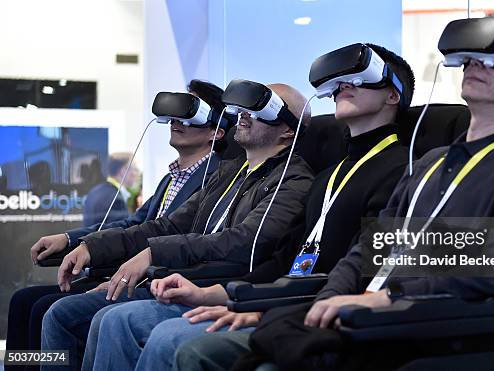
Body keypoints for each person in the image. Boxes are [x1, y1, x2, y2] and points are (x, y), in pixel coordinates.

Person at [187, 13, 494, 371]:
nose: (475, 65)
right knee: (218, 349)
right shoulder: (430, 162)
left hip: (427, 326)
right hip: (362, 316)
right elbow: (368, 250)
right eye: (472, 58)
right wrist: (321, 305)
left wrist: (387, 297)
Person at [88, 43, 416, 371]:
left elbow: (369, 272)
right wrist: (223, 295)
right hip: (286, 299)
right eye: (341, 82)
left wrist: (262, 307)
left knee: (169, 339)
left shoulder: (404, 171)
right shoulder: (329, 176)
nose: (344, 85)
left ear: (392, 96)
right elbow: (286, 260)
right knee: (116, 320)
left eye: (361, 79)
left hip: (317, 309)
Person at [40, 82, 314, 371]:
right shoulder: (228, 174)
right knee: (54, 308)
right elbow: (163, 226)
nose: (244, 114)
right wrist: (91, 245)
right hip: (181, 277)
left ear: (287, 130)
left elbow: (243, 241)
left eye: (261, 109)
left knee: (110, 319)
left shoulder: (293, 181)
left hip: (217, 283)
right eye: (244, 108)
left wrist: (154, 255)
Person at [5, 79, 231, 371]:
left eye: (190, 113)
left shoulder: (215, 180)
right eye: (174, 113)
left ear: (216, 130)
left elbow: (164, 234)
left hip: (155, 276)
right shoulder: (172, 178)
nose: (177, 120)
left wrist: (106, 261)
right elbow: (132, 223)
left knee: (52, 311)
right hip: (129, 270)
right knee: (24, 302)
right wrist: (70, 238)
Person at [82, 151, 137, 226]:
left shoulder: (95, 191)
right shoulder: (116, 199)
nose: (136, 173)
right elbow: (119, 233)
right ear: (123, 171)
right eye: (134, 169)